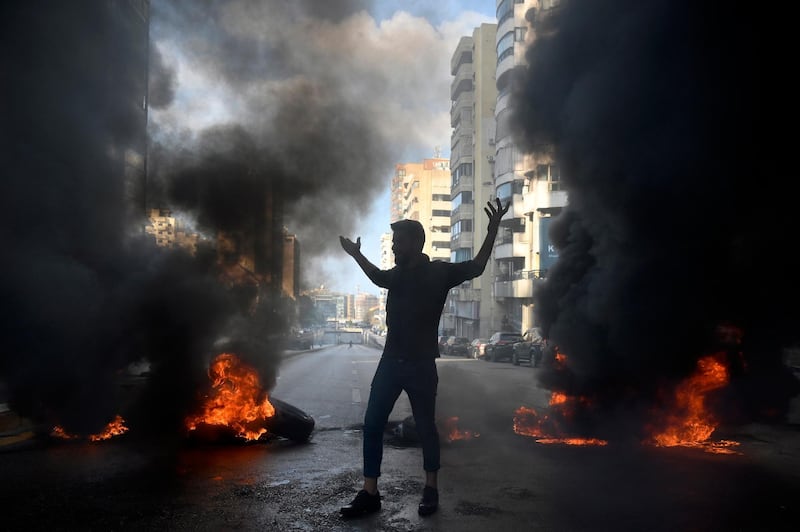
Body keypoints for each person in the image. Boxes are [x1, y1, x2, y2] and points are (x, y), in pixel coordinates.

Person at [338, 198, 509, 518]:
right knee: (373, 423)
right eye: (392, 243)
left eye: (398, 243)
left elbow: (476, 266)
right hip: (390, 362)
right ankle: (369, 492)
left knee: (426, 427)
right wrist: (356, 253)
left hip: (421, 365)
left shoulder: (439, 272)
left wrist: (493, 230)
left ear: (416, 244)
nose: (393, 248)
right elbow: (375, 276)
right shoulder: (396, 276)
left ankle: (431, 488)